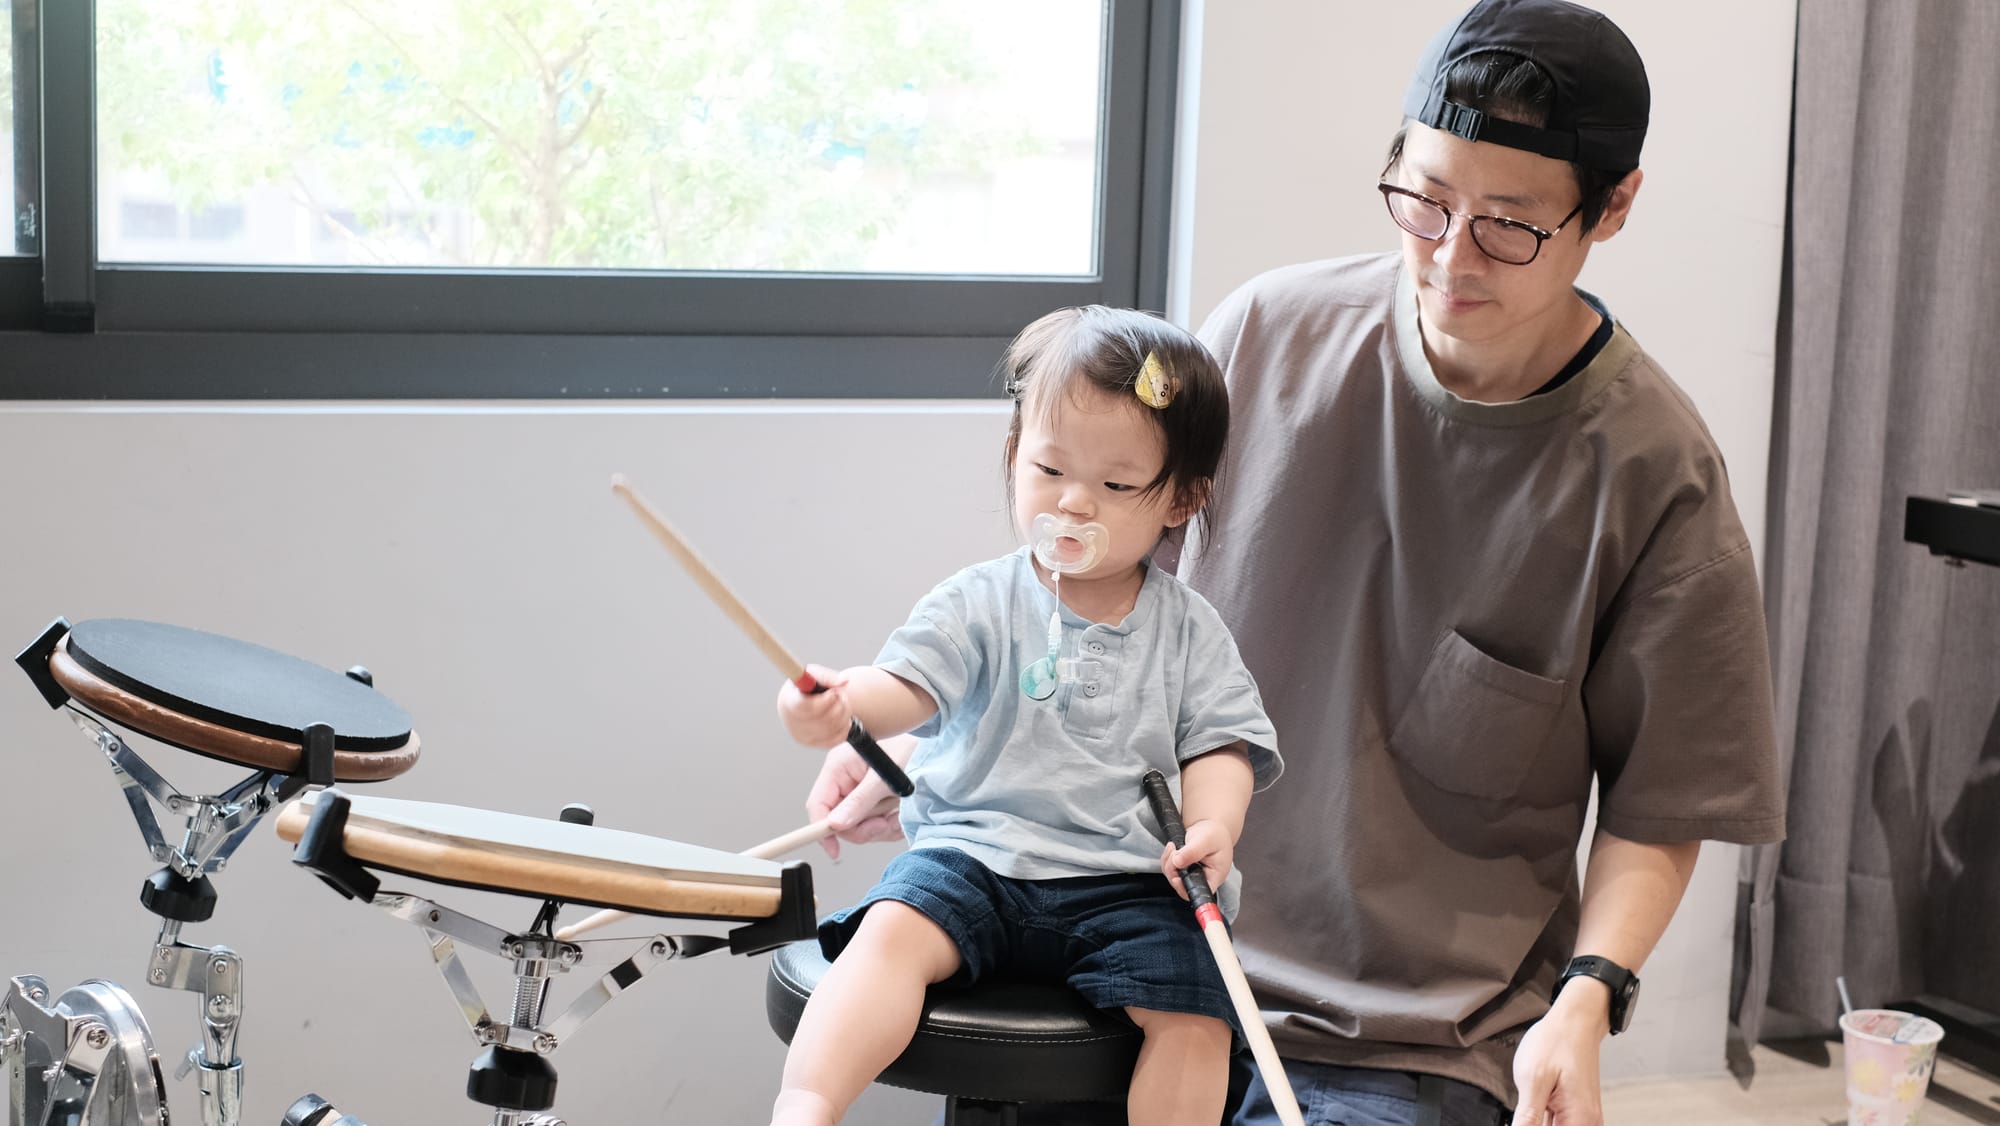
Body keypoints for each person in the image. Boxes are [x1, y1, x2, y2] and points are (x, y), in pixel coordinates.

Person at [803, 2, 1786, 1124]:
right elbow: (1087, 580)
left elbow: (1662, 800)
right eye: (1425, 199)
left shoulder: (1653, 473)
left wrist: (1586, 997)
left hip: (1404, 1031)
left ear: (1611, 206)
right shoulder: (1263, 336)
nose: (1450, 255)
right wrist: (941, 741)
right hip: (1132, 934)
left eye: (1508, 225)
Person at [767, 305, 1283, 1126]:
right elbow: (904, 688)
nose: (1074, 503)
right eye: (1049, 469)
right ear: (1015, 456)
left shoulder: (1191, 630)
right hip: (974, 855)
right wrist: (841, 706)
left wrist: (1215, 824)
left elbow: (1220, 745)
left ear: (1182, 499)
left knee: (1196, 1009)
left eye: (1116, 486)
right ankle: (806, 1107)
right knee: (889, 934)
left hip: (1128, 882)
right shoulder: (977, 600)